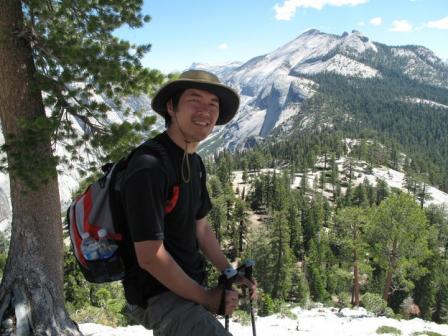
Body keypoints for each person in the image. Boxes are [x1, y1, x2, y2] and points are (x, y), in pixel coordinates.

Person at [121, 69, 257, 336]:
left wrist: (228, 272)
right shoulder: (149, 165)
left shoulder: (194, 162)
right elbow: (150, 257)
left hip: (188, 289)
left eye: (213, 104)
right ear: (171, 107)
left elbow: (201, 228)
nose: (205, 111)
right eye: (194, 100)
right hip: (159, 294)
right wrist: (207, 297)